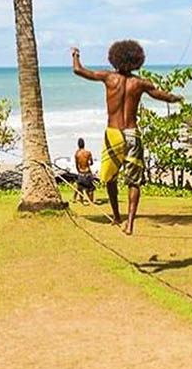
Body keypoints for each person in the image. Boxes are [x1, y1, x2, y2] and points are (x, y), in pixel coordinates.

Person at [72, 42, 182, 235]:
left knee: (110, 179)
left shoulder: (108, 77)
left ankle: (116, 216)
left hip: (113, 133)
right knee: (134, 182)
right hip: (132, 133)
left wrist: (75, 55)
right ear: (136, 61)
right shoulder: (140, 83)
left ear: (115, 58)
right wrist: (175, 98)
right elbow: (161, 96)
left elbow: (79, 71)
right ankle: (130, 222)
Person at [72, 138, 96, 204]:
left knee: (80, 188)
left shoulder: (77, 154)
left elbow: (77, 165)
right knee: (90, 188)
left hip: (81, 172)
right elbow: (91, 163)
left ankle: (82, 201)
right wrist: (87, 163)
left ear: (78, 145)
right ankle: (91, 201)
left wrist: (79, 171)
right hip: (87, 172)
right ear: (84, 144)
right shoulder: (88, 153)